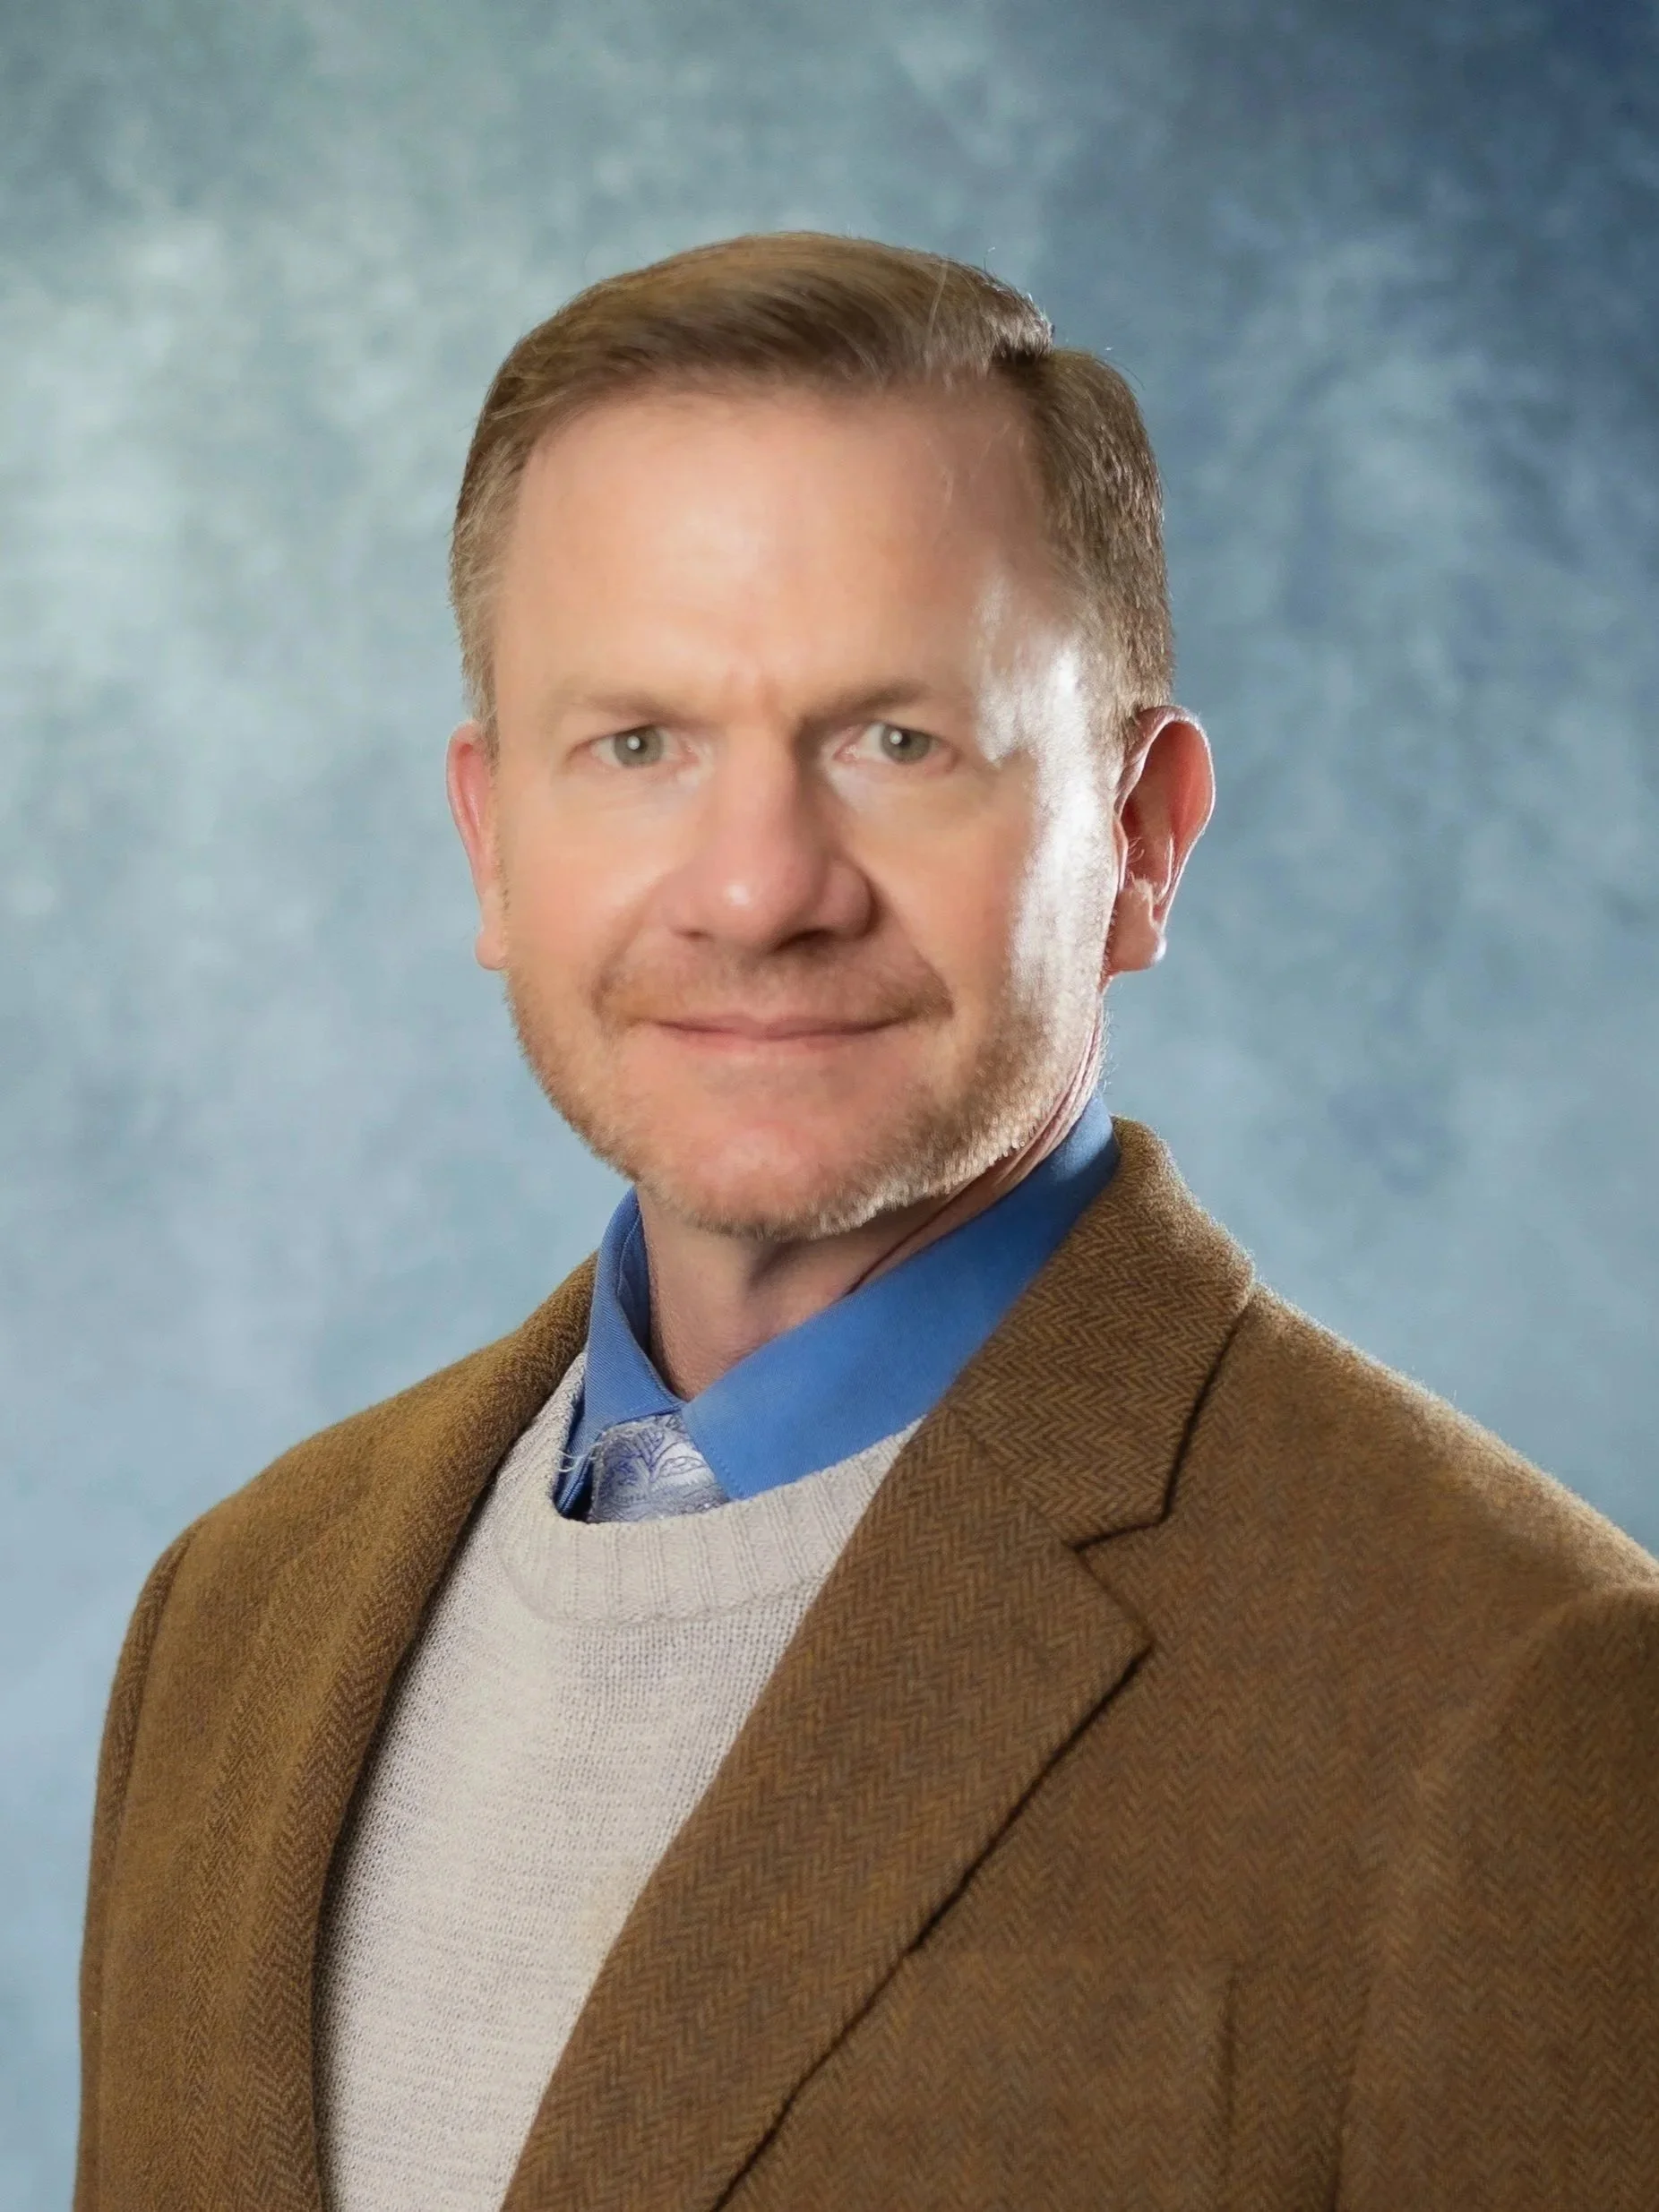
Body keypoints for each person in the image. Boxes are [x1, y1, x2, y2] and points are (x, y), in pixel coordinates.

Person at [75, 234, 1658, 2212]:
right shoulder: (233, 1616)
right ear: (493, 842)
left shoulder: (1521, 1692)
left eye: (896, 740)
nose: (755, 888)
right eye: (636, 742)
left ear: (1141, 841)